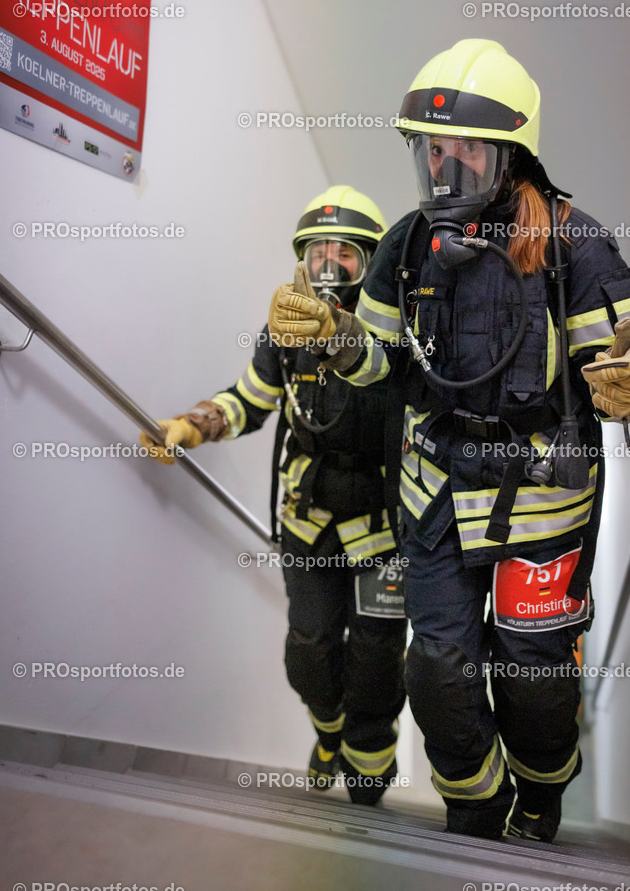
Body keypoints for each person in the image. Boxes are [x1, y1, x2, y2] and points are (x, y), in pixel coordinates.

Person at [268, 40, 630, 841]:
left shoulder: (572, 245)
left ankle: (542, 794)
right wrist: (337, 337)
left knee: (532, 674)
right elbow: (377, 363)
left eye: (466, 152)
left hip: (541, 498)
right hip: (435, 492)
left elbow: (620, 356)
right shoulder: (406, 247)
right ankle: (473, 812)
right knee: (434, 670)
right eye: (430, 150)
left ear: (510, 155)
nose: (445, 171)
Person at [141, 186, 408, 806]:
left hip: (383, 525)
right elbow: (249, 400)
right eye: (318, 251)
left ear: (371, 261)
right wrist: (193, 424)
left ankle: (370, 770)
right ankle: (328, 729)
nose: (329, 266)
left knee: (376, 656)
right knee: (310, 647)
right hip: (308, 517)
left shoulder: (396, 331)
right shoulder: (283, 330)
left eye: (346, 252)